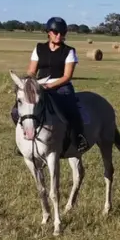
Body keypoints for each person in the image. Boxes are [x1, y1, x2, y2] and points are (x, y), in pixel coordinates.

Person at [25, 16, 85, 149]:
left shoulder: (69, 51)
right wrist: (30, 83)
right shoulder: (39, 48)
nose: (59, 36)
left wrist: (49, 86)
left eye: (62, 33)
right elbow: (31, 71)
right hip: (40, 85)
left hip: (61, 87)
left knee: (71, 110)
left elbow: (67, 76)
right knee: (18, 110)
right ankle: (23, 140)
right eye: (56, 32)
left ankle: (78, 139)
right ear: (48, 32)